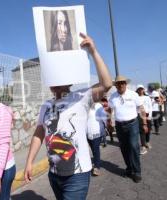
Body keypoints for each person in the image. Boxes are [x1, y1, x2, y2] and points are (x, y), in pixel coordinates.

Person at [24, 33, 112, 200]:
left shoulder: (82, 97)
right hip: (54, 173)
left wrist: (93, 51)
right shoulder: (46, 106)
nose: (55, 82)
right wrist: (29, 162)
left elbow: (107, 84)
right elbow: (38, 133)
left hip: (77, 174)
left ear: (69, 80)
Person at [107, 76, 148, 183]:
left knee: (134, 146)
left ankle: (137, 172)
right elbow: (109, 110)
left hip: (132, 124)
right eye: (118, 83)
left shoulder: (133, 95)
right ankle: (129, 168)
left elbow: (141, 109)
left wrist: (144, 123)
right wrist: (109, 122)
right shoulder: (112, 97)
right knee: (124, 148)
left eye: (122, 83)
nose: (120, 85)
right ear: (115, 85)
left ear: (126, 84)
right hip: (119, 126)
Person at [87, 102, 107, 176]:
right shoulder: (84, 106)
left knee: (95, 149)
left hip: (97, 131)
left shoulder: (98, 106)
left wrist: (105, 128)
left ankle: (96, 167)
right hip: (87, 132)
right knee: (93, 149)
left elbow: (104, 118)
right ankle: (96, 161)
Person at [136, 85, 152, 154]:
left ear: (143, 90)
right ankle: (143, 147)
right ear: (137, 90)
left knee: (148, 130)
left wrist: (150, 116)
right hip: (139, 115)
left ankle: (147, 142)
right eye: (139, 89)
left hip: (147, 114)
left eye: (141, 89)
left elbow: (150, 106)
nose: (140, 90)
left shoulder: (147, 97)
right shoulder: (135, 98)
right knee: (142, 131)